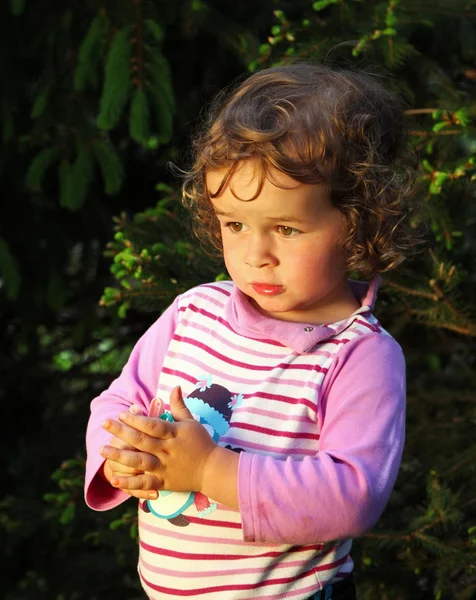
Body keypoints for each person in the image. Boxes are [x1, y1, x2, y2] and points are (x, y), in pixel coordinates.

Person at [85, 62, 418, 599]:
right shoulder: (193, 314)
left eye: (286, 229)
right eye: (234, 224)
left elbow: (353, 495)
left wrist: (211, 470)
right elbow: (121, 400)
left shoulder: (359, 355)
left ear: (359, 223)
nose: (256, 255)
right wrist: (119, 454)